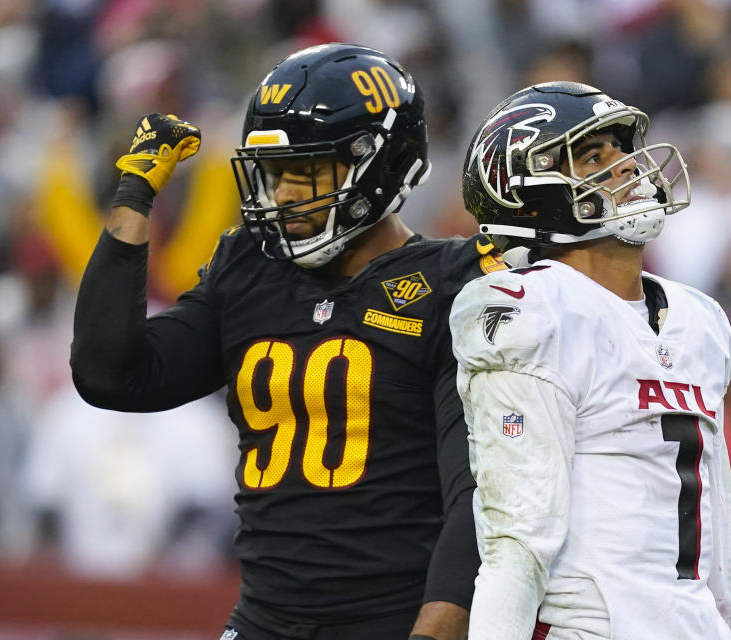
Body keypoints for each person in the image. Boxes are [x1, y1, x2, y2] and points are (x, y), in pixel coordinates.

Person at [71, 43, 503, 640]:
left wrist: (437, 628)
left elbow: (480, 495)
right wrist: (133, 199)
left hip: (392, 618)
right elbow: (111, 374)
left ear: (379, 163)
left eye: (308, 170)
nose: (287, 194)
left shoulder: (454, 283)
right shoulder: (250, 265)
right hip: (263, 620)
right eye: (276, 173)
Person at [449, 82, 731, 639]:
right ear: (532, 195)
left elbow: (720, 537)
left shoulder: (698, 319)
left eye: (620, 150)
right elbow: (517, 537)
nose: (627, 166)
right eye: (593, 157)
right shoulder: (533, 308)